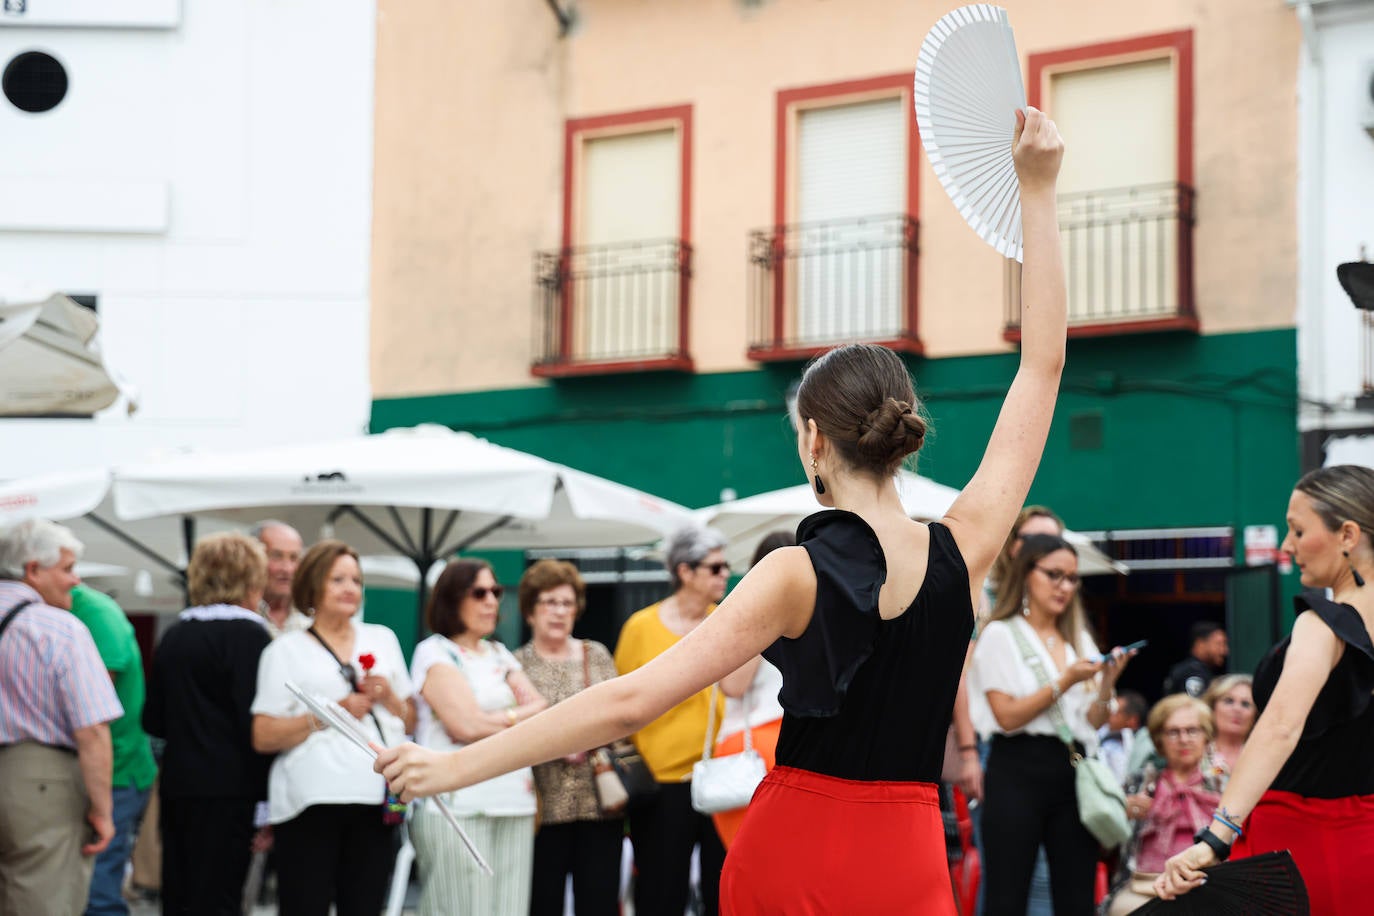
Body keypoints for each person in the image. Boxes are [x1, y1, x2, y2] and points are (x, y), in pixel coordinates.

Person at [374, 105, 1068, 914]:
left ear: (813, 443)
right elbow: (1043, 367)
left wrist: (452, 768)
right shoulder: (968, 545)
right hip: (910, 858)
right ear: (903, 434)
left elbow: (629, 700)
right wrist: (1038, 191)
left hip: (797, 848)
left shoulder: (794, 571)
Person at [1157, 466, 1374, 913]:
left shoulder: (1322, 625)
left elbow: (1279, 727)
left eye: (1297, 530)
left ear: (1347, 535)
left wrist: (1217, 836)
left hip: (1297, 846)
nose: (1287, 546)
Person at [970, 533, 1135, 915]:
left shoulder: (1076, 636)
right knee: (1007, 895)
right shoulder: (1001, 633)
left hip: (1072, 768)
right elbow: (1006, 716)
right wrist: (1065, 681)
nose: (1065, 586)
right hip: (1017, 765)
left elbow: (1094, 721)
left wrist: (1107, 682)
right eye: (1055, 575)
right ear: (1027, 573)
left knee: (1076, 896)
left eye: (1073, 578)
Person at [251, 540, 415, 916]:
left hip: (375, 799)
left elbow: (411, 720)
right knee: (304, 903)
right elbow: (263, 735)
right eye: (337, 578)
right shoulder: (284, 650)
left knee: (366, 904)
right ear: (313, 585)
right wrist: (329, 714)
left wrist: (389, 697)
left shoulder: (383, 638)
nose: (349, 588)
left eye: (356, 580)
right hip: (311, 800)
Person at [142, 531, 275, 915]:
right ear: (251, 578)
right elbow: (256, 725)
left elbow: (154, 720)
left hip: (180, 786)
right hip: (232, 791)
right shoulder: (251, 636)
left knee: (180, 895)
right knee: (220, 897)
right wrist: (265, 805)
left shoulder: (176, 635)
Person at [409, 559, 546, 915]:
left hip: (514, 798)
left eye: (496, 592)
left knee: (511, 908)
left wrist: (492, 721)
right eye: (480, 592)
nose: (492, 601)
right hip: (458, 802)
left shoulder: (500, 652)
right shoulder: (435, 651)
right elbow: (464, 726)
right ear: (452, 599)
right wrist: (518, 719)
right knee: (460, 908)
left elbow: (543, 709)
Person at [0, 519, 122, 916]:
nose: (76, 581)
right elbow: (92, 730)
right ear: (32, 569)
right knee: (42, 896)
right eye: (67, 568)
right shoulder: (60, 630)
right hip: (40, 782)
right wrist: (103, 811)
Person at [613, 524, 730, 916]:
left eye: (726, 566)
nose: (725, 574)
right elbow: (621, 703)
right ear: (685, 571)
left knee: (721, 892)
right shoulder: (641, 628)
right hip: (661, 783)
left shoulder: (727, 622)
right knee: (661, 894)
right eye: (715, 567)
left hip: (721, 778)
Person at [967, 504, 1067, 916]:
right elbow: (965, 679)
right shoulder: (983, 598)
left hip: (1056, 757)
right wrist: (968, 752)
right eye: (1033, 541)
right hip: (1000, 749)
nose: (1046, 552)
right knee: (1006, 876)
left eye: (1054, 542)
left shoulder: (1063, 607)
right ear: (1013, 549)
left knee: (1049, 878)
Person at [513, 559, 621, 916]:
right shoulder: (515, 665)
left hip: (599, 803)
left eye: (567, 603)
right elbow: (513, 730)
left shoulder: (596, 654)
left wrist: (586, 740)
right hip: (543, 807)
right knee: (543, 902)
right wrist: (559, 744)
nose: (559, 612)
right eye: (549, 602)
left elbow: (618, 714)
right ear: (530, 610)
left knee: (599, 901)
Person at [68, 584, 158, 916]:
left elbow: (91, 711)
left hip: (115, 769)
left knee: (98, 887)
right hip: (94, 767)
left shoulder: (97, 614)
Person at [1101, 694, 1223, 916]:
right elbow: (1107, 843)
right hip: (1144, 884)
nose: (1183, 739)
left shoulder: (1222, 785)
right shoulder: (1140, 782)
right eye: (1173, 732)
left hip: (1209, 885)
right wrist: (1122, 812)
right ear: (1159, 740)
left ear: (1206, 736)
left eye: (1192, 730)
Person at [710, 531, 792, 850]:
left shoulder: (749, 615)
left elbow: (731, 686)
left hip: (767, 747)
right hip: (761, 749)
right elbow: (733, 685)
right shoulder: (749, 615)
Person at [253, 520, 310, 638]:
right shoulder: (240, 613)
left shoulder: (312, 615)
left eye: (294, 558)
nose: (287, 569)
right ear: (253, 559)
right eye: (276, 556)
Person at [1201, 673, 1254, 772]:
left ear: (1255, 715)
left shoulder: (1261, 756)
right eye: (1229, 701)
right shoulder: (1196, 752)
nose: (1237, 709)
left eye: (1245, 704)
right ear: (1212, 708)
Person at [1162, 620, 1228, 698]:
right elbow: (1191, 706)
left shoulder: (1202, 670)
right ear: (1200, 644)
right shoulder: (1193, 672)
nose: (1225, 651)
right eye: (1219, 644)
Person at [1099, 689, 1147, 785]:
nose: (1108, 714)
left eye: (1115, 711)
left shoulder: (1146, 746)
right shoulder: (1098, 733)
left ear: (1132, 719)